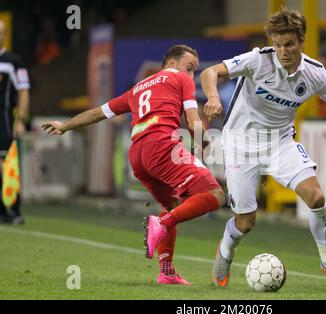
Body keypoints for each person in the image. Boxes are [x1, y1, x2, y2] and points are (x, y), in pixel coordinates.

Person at [200, 9, 326, 288]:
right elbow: (210, 71)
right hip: (241, 145)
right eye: (278, 45)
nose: (283, 51)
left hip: (280, 143)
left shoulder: (315, 74)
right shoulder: (258, 60)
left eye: (289, 44)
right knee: (245, 224)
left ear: (301, 40)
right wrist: (212, 96)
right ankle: (226, 251)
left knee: (315, 197)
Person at [42, 45, 226, 285]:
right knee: (216, 195)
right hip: (162, 147)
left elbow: (97, 113)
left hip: (138, 156)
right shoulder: (180, 79)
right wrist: (206, 143)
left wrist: (65, 125)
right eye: (189, 68)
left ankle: (166, 272)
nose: (191, 75)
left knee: (170, 205)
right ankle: (162, 224)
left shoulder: (137, 89)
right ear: (171, 63)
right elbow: (193, 123)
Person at [0, 20, 30, 225]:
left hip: (4, 120)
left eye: (1, 32)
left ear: (5, 34)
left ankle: (15, 209)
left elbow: (24, 91)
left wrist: (20, 120)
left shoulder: (14, 61)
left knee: (8, 165)